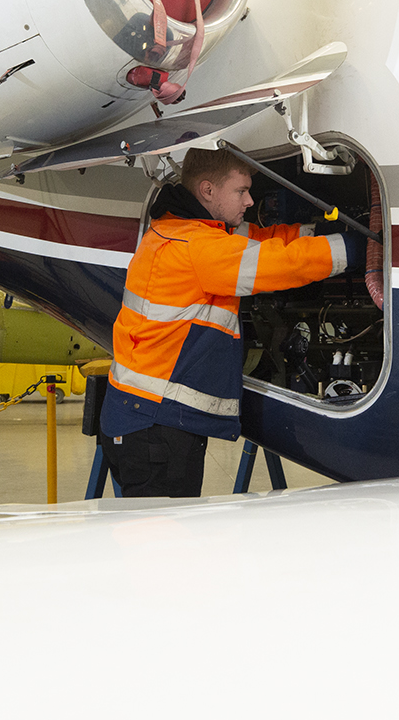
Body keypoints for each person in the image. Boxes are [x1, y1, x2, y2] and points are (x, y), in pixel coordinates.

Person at [101, 147, 364, 497]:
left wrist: (316, 230)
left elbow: (261, 242)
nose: (250, 201)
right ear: (208, 191)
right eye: (241, 191)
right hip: (156, 428)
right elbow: (282, 264)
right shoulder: (199, 248)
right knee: (163, 549)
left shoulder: (183, 230)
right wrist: (353, 247)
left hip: (139, 418)